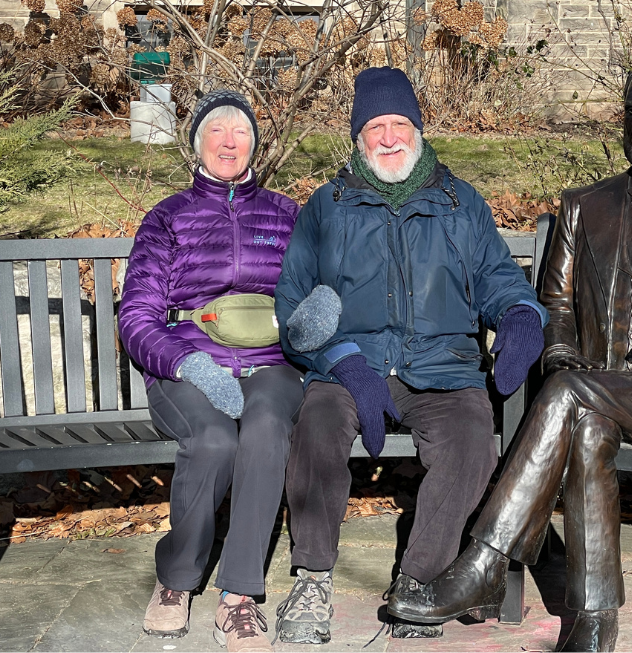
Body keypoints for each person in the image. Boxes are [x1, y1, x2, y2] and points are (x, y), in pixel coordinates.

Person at [386, 62, 632, 652]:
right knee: (588, 425)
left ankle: (483, 566)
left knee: (572, 398)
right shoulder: (584, 205)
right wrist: (559, 347)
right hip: (594, 393)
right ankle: (595, 626)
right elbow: (554, 300)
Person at [272, 66, 547, 644]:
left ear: (418, 130)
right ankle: (313, 576)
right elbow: (294, 301)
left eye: (401, 123)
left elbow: (498, 277)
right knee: (317, 426)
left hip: (442, 368)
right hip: (351, 365)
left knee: (473, 441)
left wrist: (522, 317)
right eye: (377, 126)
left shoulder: (460, 202)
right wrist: (342, 361)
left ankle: (419, 583)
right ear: (358, 137)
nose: (390, 137)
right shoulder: (327, 207)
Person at [119, 89, 303, 653]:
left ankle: (238, 598)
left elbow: (315, 293)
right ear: (197, 143)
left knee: (268, 426)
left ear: (255, 142)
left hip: (270, 362)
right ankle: (176, 579)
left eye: (241, 131)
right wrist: (186, 363)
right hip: (188, 365)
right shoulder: (168, 217)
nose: (230, 141)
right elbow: (136, 315)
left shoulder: (287, 214)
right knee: (216, 439)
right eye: (217, 130)